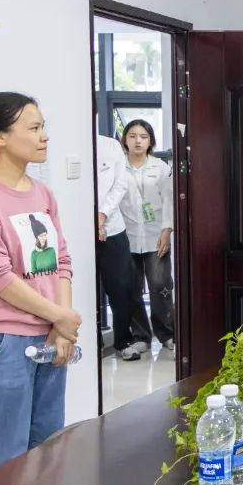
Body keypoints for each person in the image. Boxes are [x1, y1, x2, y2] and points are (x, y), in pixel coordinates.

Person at [0, 92, 81, 482]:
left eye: (43, 126)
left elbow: (62, 261)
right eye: (33, 128)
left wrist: (60, 326)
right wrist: (60, 317)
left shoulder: (42, 193)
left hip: (49, 337)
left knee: (45, 453)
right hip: (0, 344)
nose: (44, 136)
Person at [120, 119, 175, 351]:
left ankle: (167, 334)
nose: (138, 141)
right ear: (125, 139)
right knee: (132, 288)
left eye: (143, 137)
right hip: (127, 236)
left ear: (150, 140)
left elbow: (169, 200)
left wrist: (167, 230)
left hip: (156, 235)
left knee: (161, 285)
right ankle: (141, 337)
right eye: (132, 136)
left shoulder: (160, 168)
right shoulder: (118, 167)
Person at [96, 134, 148, 360]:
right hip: (81, 231)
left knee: (122, 286)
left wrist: (102, 214)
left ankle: (122, 341)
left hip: (113, 228)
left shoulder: (110, 145)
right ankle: (93, 342)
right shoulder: (67, 141)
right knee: (84, 289)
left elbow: (120, 185)